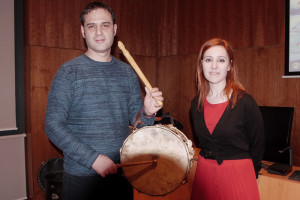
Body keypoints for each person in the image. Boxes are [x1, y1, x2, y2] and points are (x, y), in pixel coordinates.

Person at [44, 1, 163, 199]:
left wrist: (147, 113)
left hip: (121, 172)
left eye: (105, 25)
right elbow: (53, 125)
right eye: (92, 26)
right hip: (82, 176)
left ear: (115, 29)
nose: (99, 32)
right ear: (83, 31)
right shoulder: (68, 72)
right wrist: (93, 159)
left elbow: (136, 127)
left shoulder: (127, 73)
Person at [190, 38, 264, 200]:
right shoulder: (196, 103)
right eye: (208, 60)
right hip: (204, 174)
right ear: (201, 64)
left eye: (221, 60)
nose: (214, 66)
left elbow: (258, 144)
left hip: (237, 176)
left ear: (230, 65)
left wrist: (252, 173)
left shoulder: (245, 101)